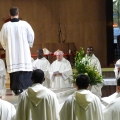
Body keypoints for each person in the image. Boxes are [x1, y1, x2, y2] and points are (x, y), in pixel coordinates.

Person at [0, 7, 34, 95]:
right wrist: (29, 45)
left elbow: (2, 40)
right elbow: (31, 36)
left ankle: (16, 89)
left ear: (9, 14)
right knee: (24, 70)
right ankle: (25, 88)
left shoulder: (5, 26)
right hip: (23, 53)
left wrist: (6, 47)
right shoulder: (25, 24)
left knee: (15, 71)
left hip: (12, 54)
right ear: (18, 13)